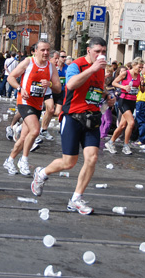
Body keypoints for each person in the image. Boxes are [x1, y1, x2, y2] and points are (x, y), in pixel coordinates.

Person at [30, 37, 115, 215]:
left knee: (92, 158)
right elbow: (70, 84)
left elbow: (98, 87)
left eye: (103, 51)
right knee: (69, 162)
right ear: (88, 50)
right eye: (97, 51)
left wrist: (107, 95)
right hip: (72, 117)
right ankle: (42, 173)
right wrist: (92, 69)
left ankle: (76, 198)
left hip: (92, 117)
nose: (101, 55)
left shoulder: (101, 69)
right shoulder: (77, 65)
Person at [3, 41, 61, 175]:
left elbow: (58, 88)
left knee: (23, 138)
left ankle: (10, 160)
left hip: (38, 104)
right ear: (35, 51)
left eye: (47, 50)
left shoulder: (51, 66)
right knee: (35, 131)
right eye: (42, 50)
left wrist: (50, 83)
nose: (46, 53)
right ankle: (24, 160)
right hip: (24, 101)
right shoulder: (28, 62)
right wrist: (19, 88)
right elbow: (11, 77)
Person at [105, 58, 145, 155]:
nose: (140, 69)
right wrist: (123, 87)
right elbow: (114, 82)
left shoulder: (140, 76)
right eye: (139, 67)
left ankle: (110, 142)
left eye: (141, 68)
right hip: (123, 100)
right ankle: (126, 146)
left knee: (123, 125)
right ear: (134, 65)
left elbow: (142, 90)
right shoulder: (126, 73)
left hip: (132, 101)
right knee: (131, 123)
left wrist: (142, 84)